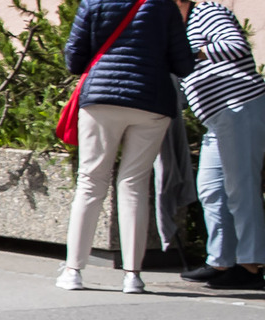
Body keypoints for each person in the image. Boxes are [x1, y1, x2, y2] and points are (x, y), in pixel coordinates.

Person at [60, 0, 193, 293]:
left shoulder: (93, 2)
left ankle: (73, 271)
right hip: (151, 100)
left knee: (91, 181)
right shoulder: (164, 6)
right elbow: (183, 63)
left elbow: (74, 58)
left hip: (101, 100)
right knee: (133, 184)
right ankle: (133, 275)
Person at [183, 0, 265, 290]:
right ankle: (221, 261)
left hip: (239, 107)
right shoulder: (175, 27)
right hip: (217, 119)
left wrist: (192, 52)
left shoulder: (206, 11)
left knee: (240, 189)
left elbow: (235, 44)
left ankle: (251, 266)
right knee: (211, 189)